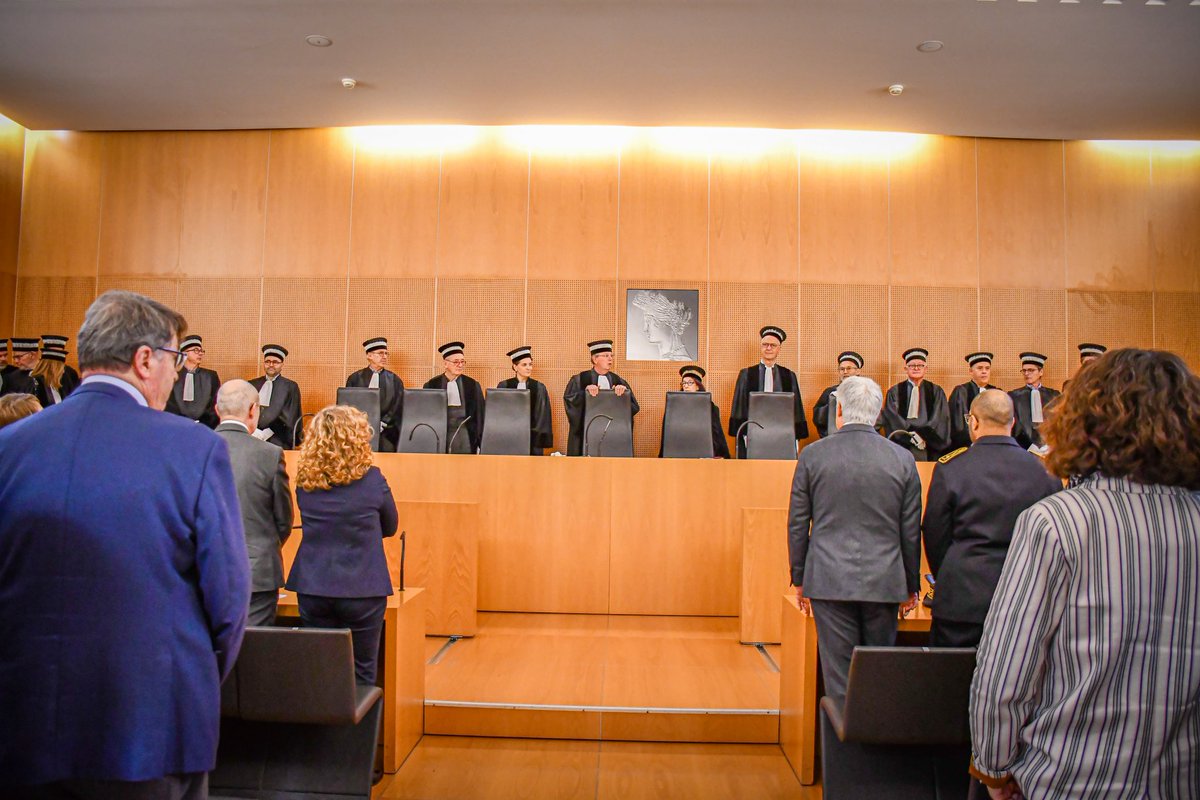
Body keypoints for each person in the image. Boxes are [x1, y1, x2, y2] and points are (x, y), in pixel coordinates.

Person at [0, 290, 250, 798]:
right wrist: (190, 679)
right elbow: (228, 602)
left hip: (22, 724)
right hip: (149, 726)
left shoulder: (10, 447)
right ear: (144, 360)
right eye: (174, 359)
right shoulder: (195, 449)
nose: (176, 374)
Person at [970, 349, 1200, 799]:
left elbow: (1007, 672)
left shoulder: (1056, 522)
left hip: (1069, 780)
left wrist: (994, 769)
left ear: (1085, 423)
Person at [787, 375, 922, 706]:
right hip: (885, 581)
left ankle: (845, 738)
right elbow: (910, 529)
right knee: (878, 677)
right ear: (878, 413)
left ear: (839, 410)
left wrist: (800, 577)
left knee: (840, 681)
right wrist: (911, 584)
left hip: (829, 579)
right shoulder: (903, 458)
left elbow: (798, 523)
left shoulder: (813, 455)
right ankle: (875, 736)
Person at [921, 390, 1061, 648]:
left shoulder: (951, 468)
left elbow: (934, 533)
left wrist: (951, 573)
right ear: (1013, 422)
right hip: (1025, 597)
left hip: (961, 597)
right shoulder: (1044, 471)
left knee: (951, 671)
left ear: (973, 422)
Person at [286, 405, 398, 685]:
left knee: (320, 672)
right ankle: (359, 716)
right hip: (362, 587)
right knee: (362, 672)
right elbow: (390, 526)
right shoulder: (372, 479)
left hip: (314, 586)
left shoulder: (305, 482)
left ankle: (321, 716)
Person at [215, 379, 295, 627]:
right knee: (253, 646)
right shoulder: (269, 454)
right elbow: (284, 520)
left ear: (216, 410)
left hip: (204, 570)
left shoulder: (191, 449)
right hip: (257, 574)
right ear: (253, 410)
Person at [728, 326, 808, 458]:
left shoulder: (788, 375)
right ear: (760, 347)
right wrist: (743, 433)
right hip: (753, 432)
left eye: (773, 345)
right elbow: (739, 406)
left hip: (781, 432)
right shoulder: (747, 374)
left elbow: (796, 408)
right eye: (765, 344)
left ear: (779, 349)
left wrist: (796, 435)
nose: (768, 348)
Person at [563, 339, 640, 456]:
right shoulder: (579, 380)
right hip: (587, 437)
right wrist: (584, 394)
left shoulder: (618, 381)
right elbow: (570, 404)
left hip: (613, 437)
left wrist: (624, 396)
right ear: (595, 359)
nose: (610, 359)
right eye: (606, 356)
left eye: (611, 356)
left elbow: (634, 408)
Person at [879, 347, 951, 461]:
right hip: (902, 441)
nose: (916, 368)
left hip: (928, 443)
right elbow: (892, 416)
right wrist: (909, 435)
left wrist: (923, 436)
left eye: (920, 365)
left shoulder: (936, 391)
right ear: (905, 369)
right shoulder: (895, 391)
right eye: (912, 365)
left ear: (926, 369)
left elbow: (939, 417)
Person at [424, 341, 485, 454]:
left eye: (462, 362)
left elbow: (480, 415)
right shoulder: (432, 385)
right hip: (441, 435)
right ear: (445, 364)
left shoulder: (472, 385)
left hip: (466, 435)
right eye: (456, 362)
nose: (460, 365)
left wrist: (481, 442)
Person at [658, 364, 731, 459]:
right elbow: (667, 433)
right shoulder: (674, 405)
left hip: (702, 452)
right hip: (678, 450)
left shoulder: (710, 406)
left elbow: (716, 433)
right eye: (684, 383)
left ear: (697, 386)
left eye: (690, 383)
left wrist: (720, 454)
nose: (686, 386)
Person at [345, 336, 404, 452]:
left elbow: (398, 405)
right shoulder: (355, 378)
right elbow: (349, 404)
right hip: (359, 430)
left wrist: (383, 422)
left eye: (386, 353)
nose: (384, 357)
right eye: (380, 353)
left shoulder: (395, 380)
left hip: (386, 431)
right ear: (369, 356)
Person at [496, 345, 554, 455]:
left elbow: (542, 416)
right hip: (509, 437)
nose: (529, 368)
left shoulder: (539, 387)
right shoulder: (504, 386)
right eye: (524, 365)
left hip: (532, 438)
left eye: (530, 364)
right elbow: (499, 414)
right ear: (515, 367)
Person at [249, 343, 303, 449]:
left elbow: (290, 417)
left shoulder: (290, 387)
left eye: (275, 362)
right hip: (252, 435)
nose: (271, 365)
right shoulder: (252, 384)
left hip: (278, 438)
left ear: (282, 364)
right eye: (267, 361)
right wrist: (254, 431)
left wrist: (265, 433)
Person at [165, 334, 221, 428]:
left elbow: (215, 404)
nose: (200, 353)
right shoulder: (173, 375)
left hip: (205, 427)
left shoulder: (211, 376)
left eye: (201, 351)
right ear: (184, 353)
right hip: (175, 425)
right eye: (196, 350)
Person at [947, 351, 999, 451]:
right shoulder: (961, 391)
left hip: (992, 446)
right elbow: (958, 423)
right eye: (980, 368)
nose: (984, 371)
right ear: (971, 371)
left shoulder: (996, 392)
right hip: (966, 446)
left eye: (987, 368)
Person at [1008, 351, 1059, 453]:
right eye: (1024, 370)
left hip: (1050, 447)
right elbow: (1015, 426)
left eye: (1031, 370)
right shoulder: (1013, 396)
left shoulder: (1054, 396)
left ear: (1041, 372)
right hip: (1022, 448)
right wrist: (1028, 446)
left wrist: (1051, 444)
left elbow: (1058, 422)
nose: (1027, 374)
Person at [630, 289, 695, 360]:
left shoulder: (679, 360)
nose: (645, 329)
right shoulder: (667, 357)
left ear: (668, 322)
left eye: (648, 321)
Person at [811, 351, 863, 439]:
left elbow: (876, 419)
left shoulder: (867, 391)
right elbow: (818, 419)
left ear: (858, 371)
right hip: (834, 439)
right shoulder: (830, 392)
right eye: (842, 369)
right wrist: (833, 404)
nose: (845, 372)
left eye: (849, 368)